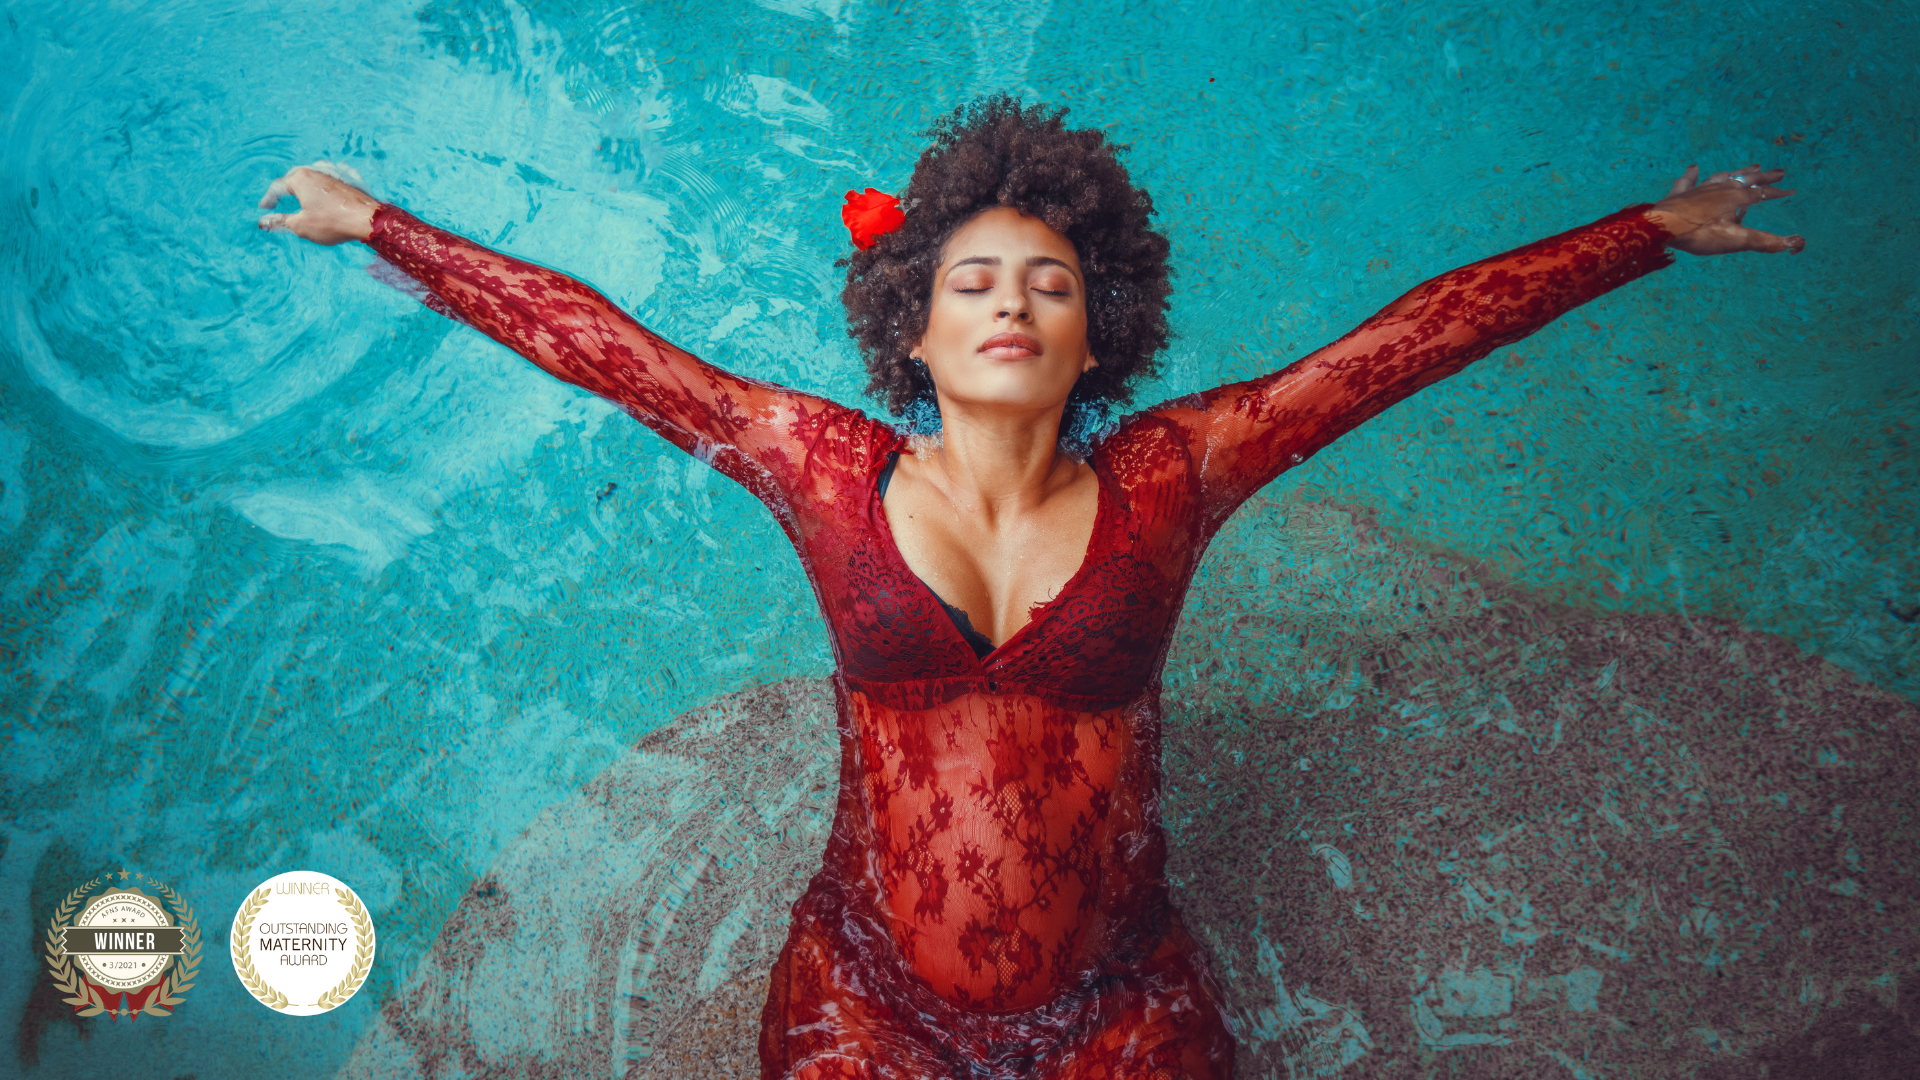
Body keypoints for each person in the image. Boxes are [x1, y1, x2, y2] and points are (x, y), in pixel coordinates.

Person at [258, 96, 1803, 1080]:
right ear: (910, 332)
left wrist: (1646, 236)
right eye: (974, 282)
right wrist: (380, 226)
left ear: (1096, 332)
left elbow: (1404, 345)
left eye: (1049, 283)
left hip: (1120, 1000)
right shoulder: (818, 467)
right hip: (864, 997)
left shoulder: (1176, 475)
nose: (1012, 302)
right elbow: (598, 344)